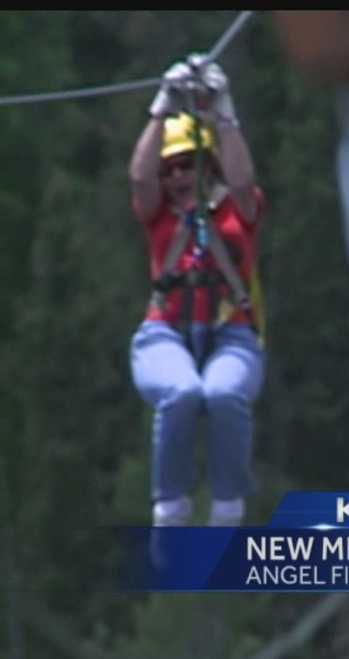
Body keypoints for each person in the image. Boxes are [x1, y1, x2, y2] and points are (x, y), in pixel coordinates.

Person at [128, 56, 265, 528]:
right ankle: (170, 505)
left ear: (208, 165)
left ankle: (228, 503)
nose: (176, 178)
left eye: (186, 166)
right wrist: (161, 108)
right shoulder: (159, 214)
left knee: (224, 394)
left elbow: (243, 179)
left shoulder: (237, 210)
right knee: (182, 391)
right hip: (165, 332)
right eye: (170, 170)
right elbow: (140, 178)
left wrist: (224, 113)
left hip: (231, 334)